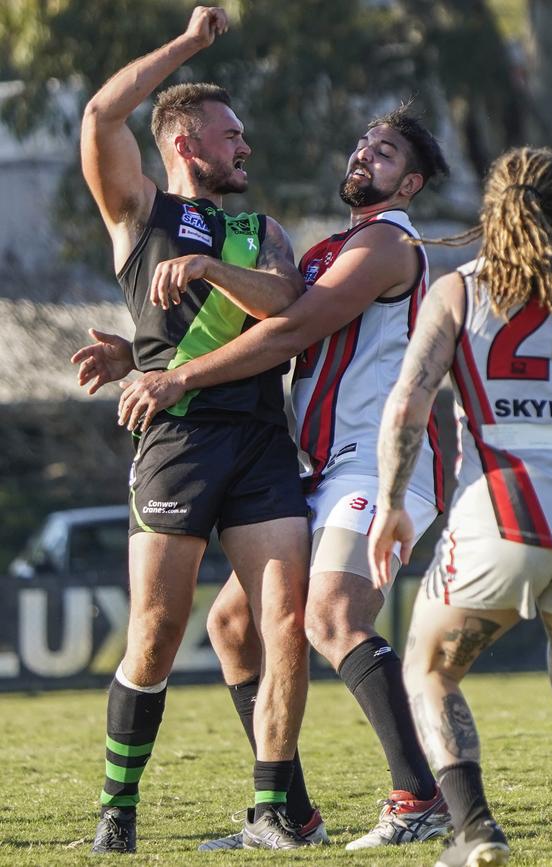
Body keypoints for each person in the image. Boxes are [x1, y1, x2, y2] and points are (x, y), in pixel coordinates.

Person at [100, 105, 453, 850]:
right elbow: (264, 334)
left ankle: (421, 796)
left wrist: (174, 378)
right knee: (231, 627)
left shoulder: (387, 243)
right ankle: (287, 813)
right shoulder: (331, 248)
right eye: (363, 144)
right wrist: (139, 361)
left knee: (330, 616)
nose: (364, 156)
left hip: (382, 458)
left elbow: (292, 330)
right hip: (325, 464)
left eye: (384, 153)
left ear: (411, 183)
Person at [77, 6, 322, 853]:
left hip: (259, 439)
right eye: (230, 136)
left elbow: (288, 307)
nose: (244, 149)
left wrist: (218, 267)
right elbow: (102, 116)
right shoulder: (139, 211)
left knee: (283, 620)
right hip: (175, 441)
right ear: (186, 143)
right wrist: (188, 45)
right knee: (155, 632)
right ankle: (118, 808)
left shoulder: (265, 233)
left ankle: (270, 811)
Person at [369, 145, 552, 867]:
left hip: (502, 512)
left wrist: (391, 503)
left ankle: (474, 833)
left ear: (489, 210)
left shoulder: (459, 289)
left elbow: (408, 402)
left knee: (428, 671)